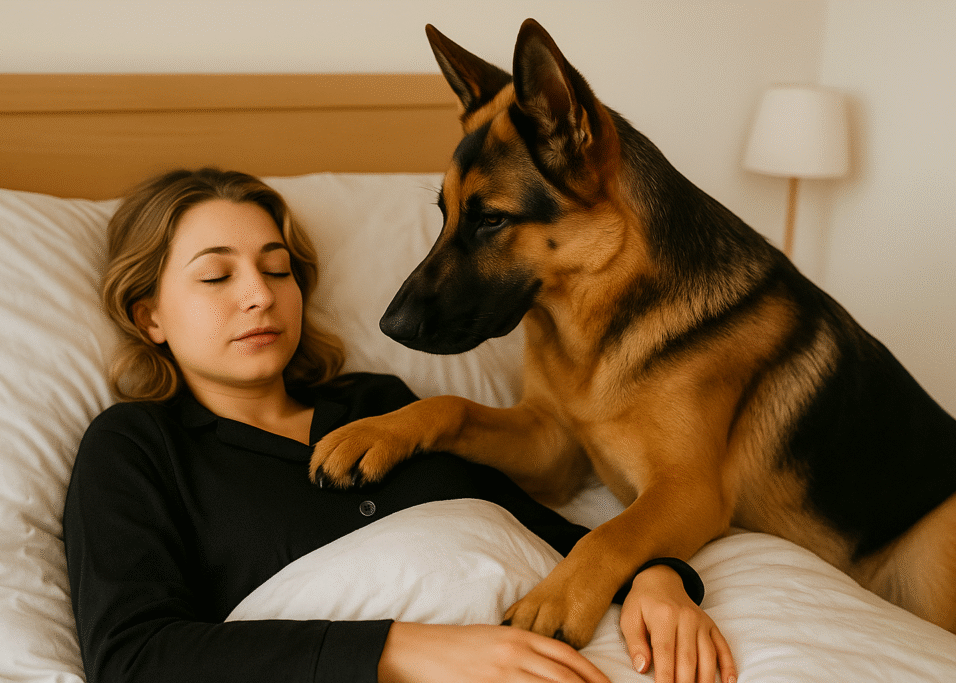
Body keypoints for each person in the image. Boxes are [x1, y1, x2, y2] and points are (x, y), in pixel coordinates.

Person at [63, 168, 737, 683]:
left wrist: (654, 577)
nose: (261, 294)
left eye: (278, 268)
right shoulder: (137, 446)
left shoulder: (380, 407)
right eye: (216, 275)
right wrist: (404, 647)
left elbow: (533, 529)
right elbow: (134, 657)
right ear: (149, 315)